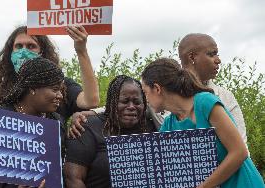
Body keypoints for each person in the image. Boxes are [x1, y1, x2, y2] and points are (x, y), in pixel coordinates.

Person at [69, 33, 248, 148]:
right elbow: (132, 102)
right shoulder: (166, 111)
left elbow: (241, 148)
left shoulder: (217, 98)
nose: (218, 60)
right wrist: (88, 113)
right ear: (192, 57)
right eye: (212, 54)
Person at [141, 58, 264, 188]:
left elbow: (239, 152)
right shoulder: (168, 125)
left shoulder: (205, 103)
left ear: (157, 88)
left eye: (145, 92)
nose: (146, 99)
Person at [0, 25, 99, 124]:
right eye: (18, 46)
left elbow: (91, 101)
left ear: (43, 52)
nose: (23, 52)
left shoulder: (61, 86)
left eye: (31, 46)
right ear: (10, 52)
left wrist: (81, 50)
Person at [0, 57, 66, 188]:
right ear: (32, 89)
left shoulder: (56, 123)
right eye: (55, 89)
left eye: (60, 90)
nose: (60, 95)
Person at [64, 75, 156, 188]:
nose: (131, 106)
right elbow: (73, 179)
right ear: (112, 103)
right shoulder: (87, 127)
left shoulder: (153, 129)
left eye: (137, 102)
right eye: (124, 101)